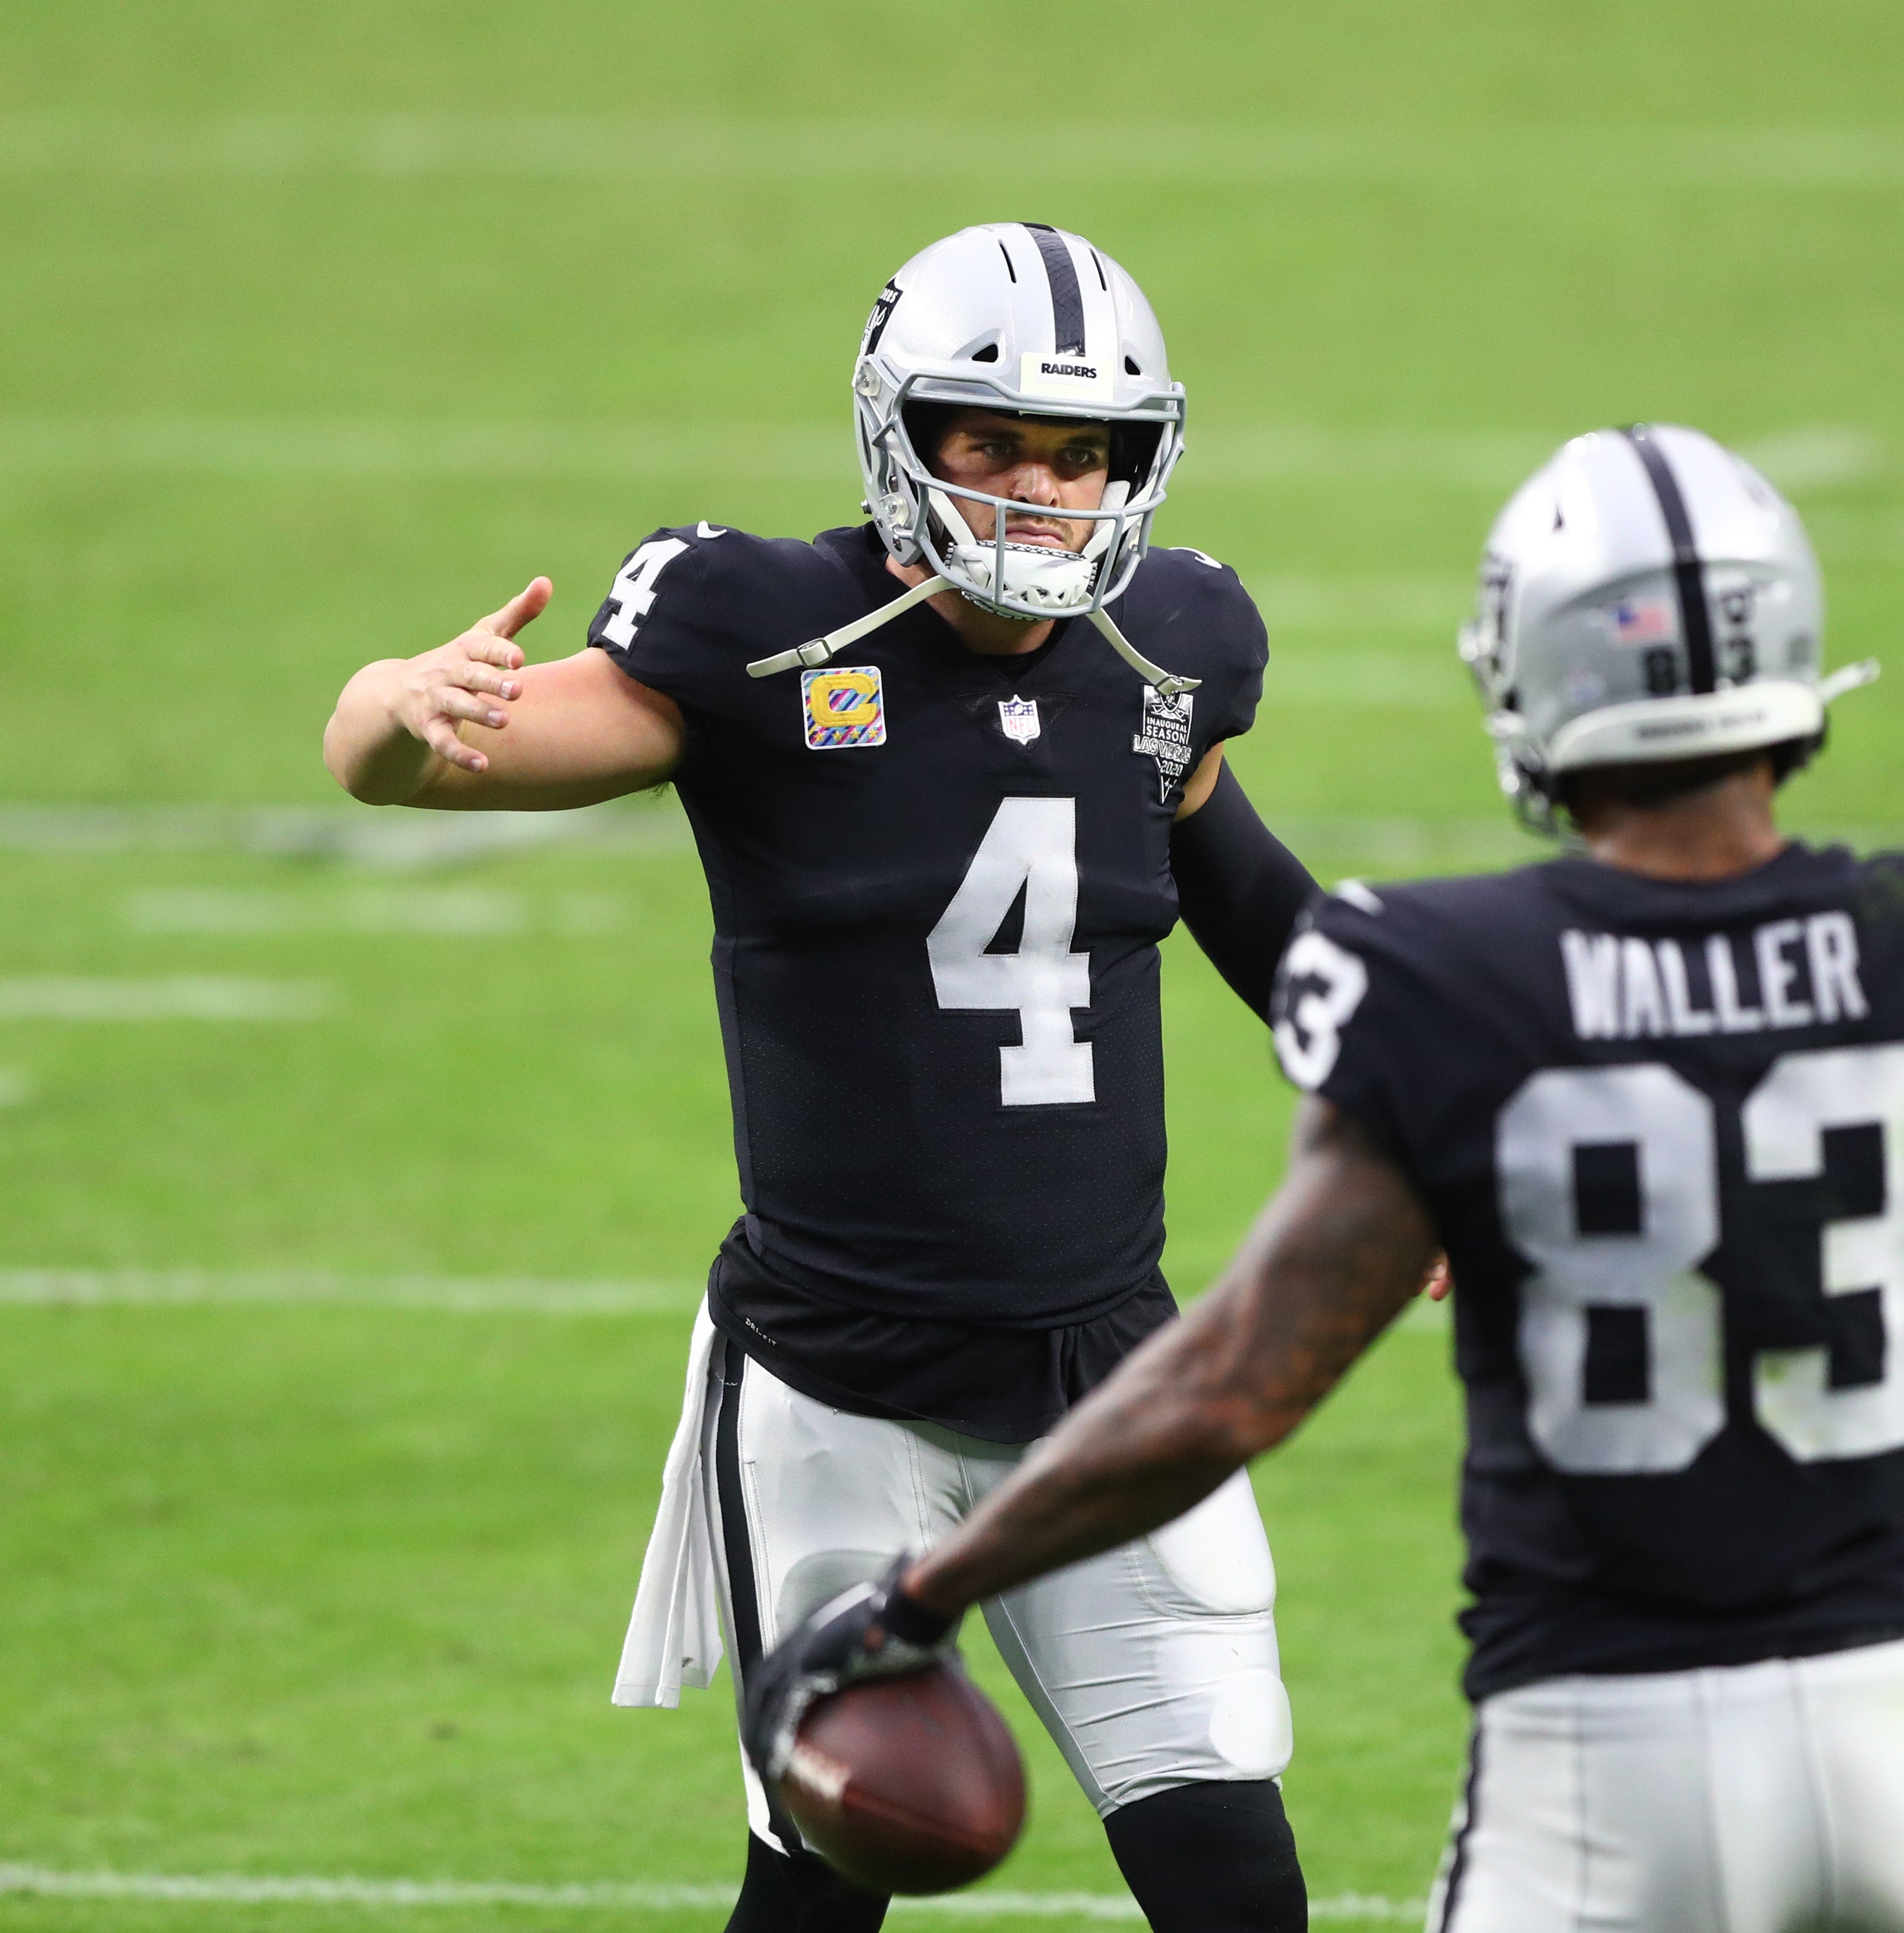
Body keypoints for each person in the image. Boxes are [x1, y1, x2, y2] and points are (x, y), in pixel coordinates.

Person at [737, 426, 1904, 1933]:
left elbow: (1226, 1384)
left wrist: (927, 1589)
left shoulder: (1445, 977)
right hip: (1898, 1751)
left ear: (1534, 685)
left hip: (1595, 1760)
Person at [322, 222, 1327, 1933]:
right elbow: (419, 762)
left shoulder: (1166, 650)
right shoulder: (769, 632)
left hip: (1105, 1380)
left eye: (1079, 453)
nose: (1037, 491)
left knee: (1237, 1884)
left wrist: (1424, 1123)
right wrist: (393, 708)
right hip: (838, 1392)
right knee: (820, 1894)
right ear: (899, 434)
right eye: (990, 442)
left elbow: (1252, 901)